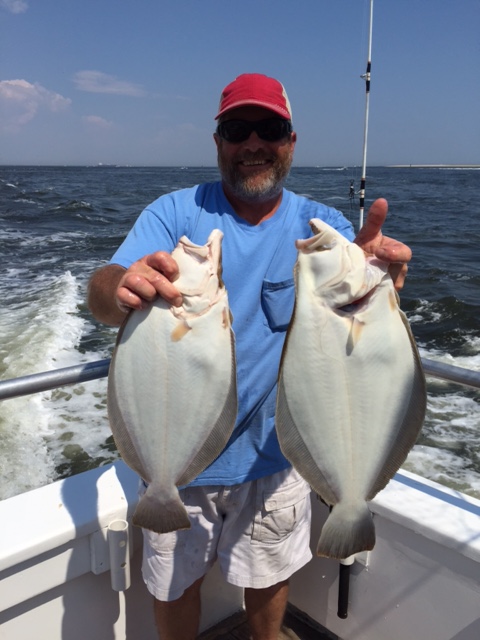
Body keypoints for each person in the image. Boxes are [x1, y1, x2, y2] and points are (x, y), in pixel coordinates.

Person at [87, 73, 411, 640]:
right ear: (218, 142)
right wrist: (119, 287)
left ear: (291, 140)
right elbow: (104, 293)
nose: (254, 142)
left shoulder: (321, 228)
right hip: (178, 456)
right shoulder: (174, 213)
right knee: (175, 586)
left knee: (268, 580)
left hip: (275, 455)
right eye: (238, 129)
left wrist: (373, 285)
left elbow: (353, 350)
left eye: (271, 128)